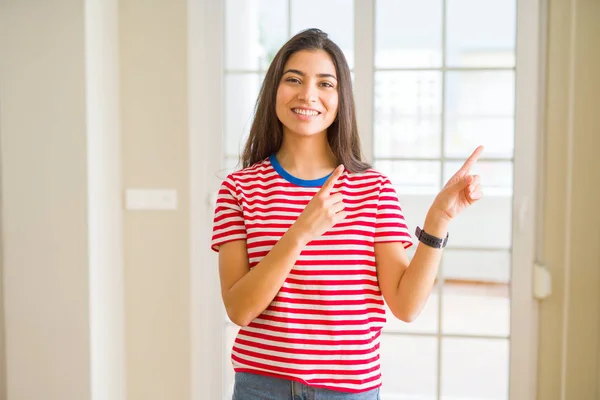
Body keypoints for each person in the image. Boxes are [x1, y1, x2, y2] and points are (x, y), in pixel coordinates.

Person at [211, 28, 483, 400]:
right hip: (262, 388)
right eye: (294, 79)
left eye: (326, 84)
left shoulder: (373, 189)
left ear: (341, 100)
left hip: (348, 391)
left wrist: (439, 219)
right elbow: (239, 310)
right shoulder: (239, 189)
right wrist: (300, 233)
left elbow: (405, 306)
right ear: (274, 89)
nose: (308, 95)